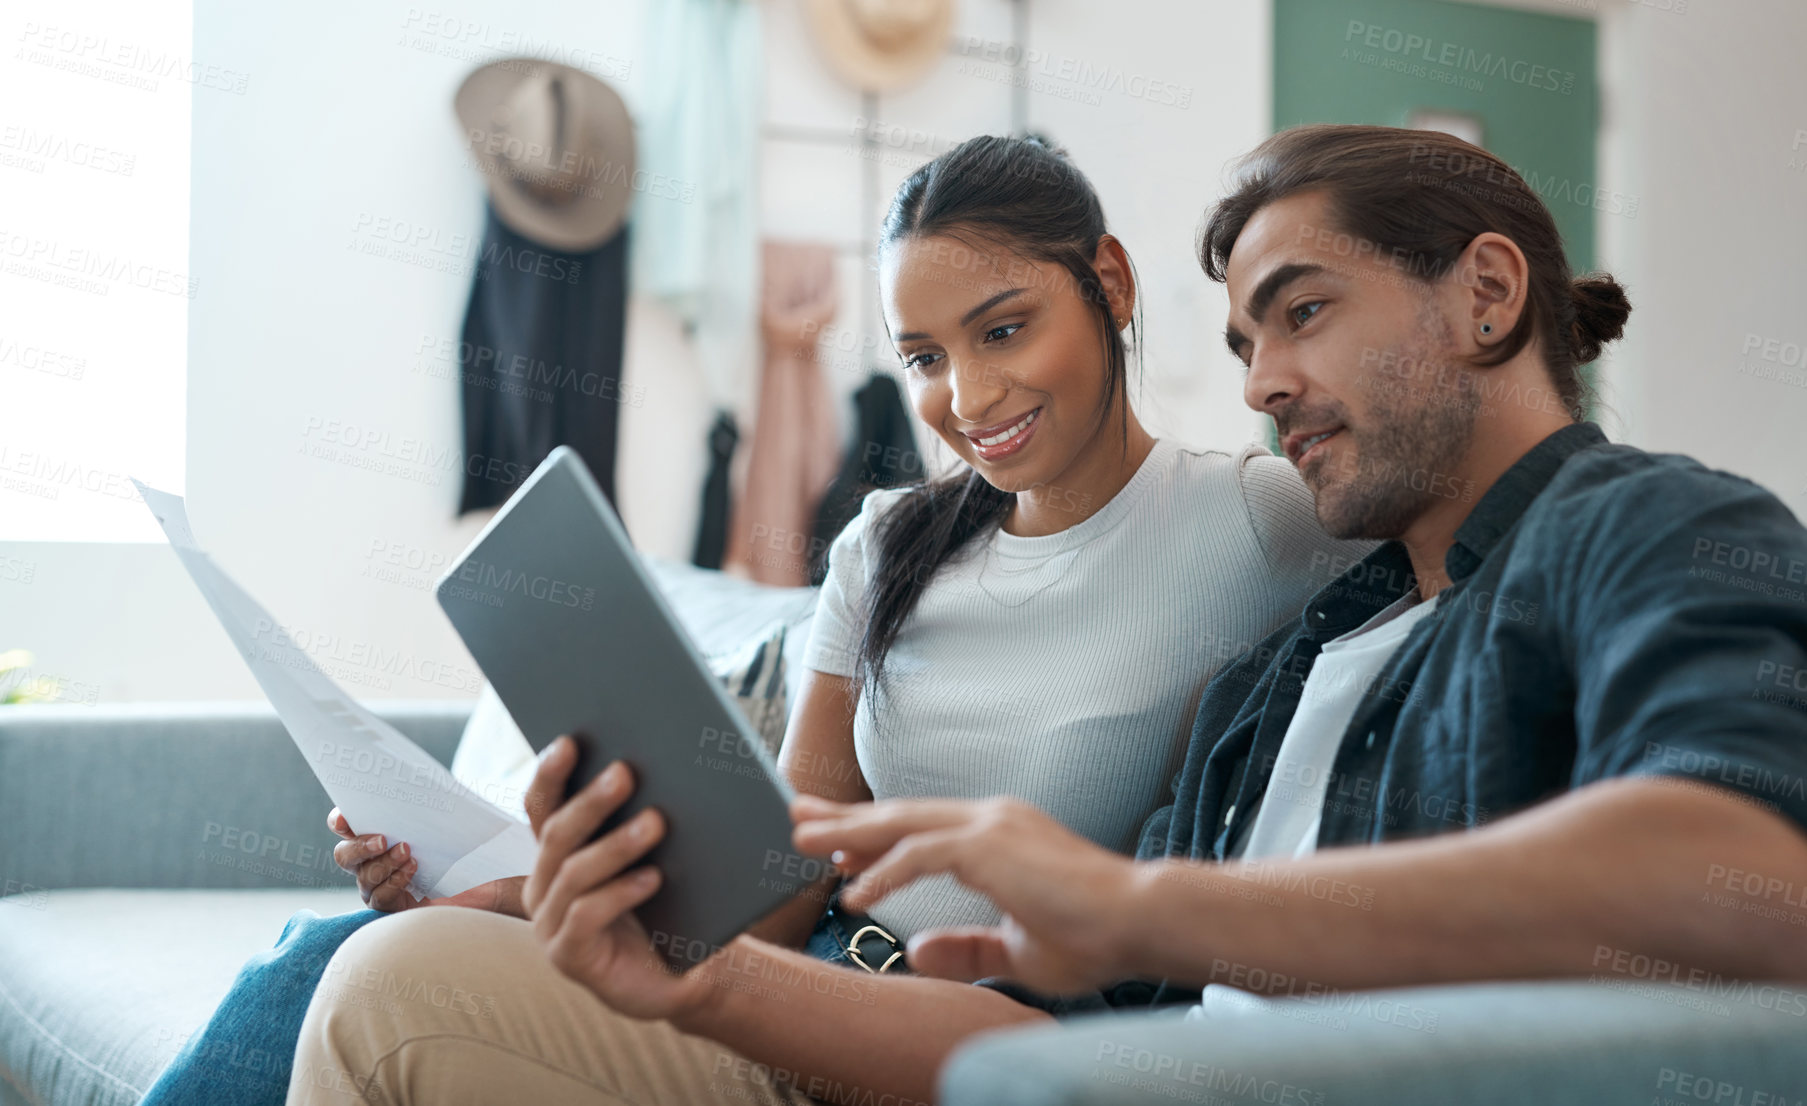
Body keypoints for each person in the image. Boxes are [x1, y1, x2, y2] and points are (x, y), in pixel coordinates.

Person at [288, 122, 1807, 1105]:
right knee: (365, 975)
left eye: (1301, 310)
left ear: (1485, 296)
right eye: (1244, 335)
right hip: (994, 1044)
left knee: (370, 993)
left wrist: (1136, 906)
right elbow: (1060, 1056)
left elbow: (1751, 873)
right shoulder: (1289, 668)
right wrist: (688, 965)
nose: (1263, 380)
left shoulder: (1643, 531)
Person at [141, 135, 1354, 1106]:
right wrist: (493, 883)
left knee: (381, 985)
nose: (968, 397)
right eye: (924, 355)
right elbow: (777, 881)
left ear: (1113, 280)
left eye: (1003, 328)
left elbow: (1470, 528)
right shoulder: (887, 541)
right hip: (795, 983)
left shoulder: (1254, 520)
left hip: (965, 1041)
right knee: (337, 950)